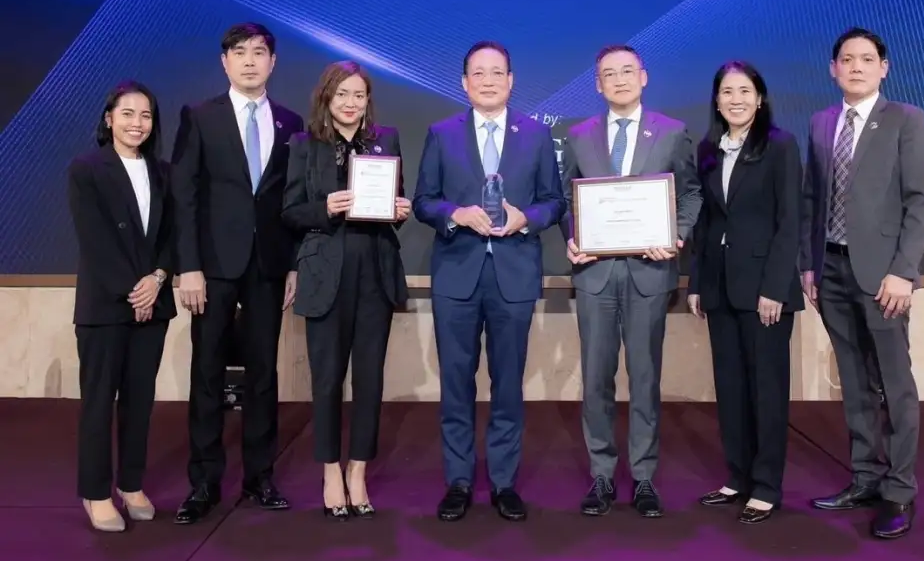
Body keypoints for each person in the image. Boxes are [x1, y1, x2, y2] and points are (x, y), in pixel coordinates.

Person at [413, 40, 565, 523]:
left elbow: (554, 201)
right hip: (457, 273)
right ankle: (458, 481)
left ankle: (503, 482)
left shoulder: (536, 135)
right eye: (478, 73)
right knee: (455, 383)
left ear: (511, 80)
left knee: (508, 384)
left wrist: (526, 219)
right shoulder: (441, 133)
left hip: (514, 275)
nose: (488, 80)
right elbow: (423, 200)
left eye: (497, 72)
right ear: (464, 82)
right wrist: (455, 213)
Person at [801, 27, 924, 540]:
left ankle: (899, 490)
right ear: (833, 68)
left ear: (884, 67)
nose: (855, 66)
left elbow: (921, 200)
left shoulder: (906, 119)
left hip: (883, 276)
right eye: (846, 59)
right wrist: (809, 265)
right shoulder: (821, 122)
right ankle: (865, 478)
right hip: (831, 270)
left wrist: (904, 271)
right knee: (854, 380)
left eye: (866, 59)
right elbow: (813, 199)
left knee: (894, 383)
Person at [560, 44, 702, 518]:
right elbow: (566, 200)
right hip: (595, 274)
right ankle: (601, 474)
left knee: (645, 378)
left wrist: (676, 236)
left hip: (649, 273)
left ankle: (643, 477)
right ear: (598, 84)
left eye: (627, 71)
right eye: (609, 74)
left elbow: (691, 194)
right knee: (596, 380)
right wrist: (573, 237)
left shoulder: (673, 131)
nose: (619, 79)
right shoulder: (578, 136)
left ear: (643, 77)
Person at [170, 23, 305, 524]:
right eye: (239, 52)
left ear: (273, 62)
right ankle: (204, 482)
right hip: (212, 267)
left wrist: (292, 264)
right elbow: (183, 196)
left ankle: (259, 477)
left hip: (268, 263)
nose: (250, 61)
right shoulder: (200, 116)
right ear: (224, 62)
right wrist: (188, 266)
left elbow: (291, 199)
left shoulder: (290, 122)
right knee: (207, 372)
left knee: (263, 373)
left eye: (259, 52)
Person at [282, 61, 410, 519]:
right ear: (326, 97)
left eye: (359, 95)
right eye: (342, 94)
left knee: (370, 378)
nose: (351, 103)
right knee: (327, 379)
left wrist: (400, 209)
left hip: (375, 269)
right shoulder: (304, 144)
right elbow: (290, 211)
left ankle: (358, 470)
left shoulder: (386, 140)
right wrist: (325, 208)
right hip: (325, 272)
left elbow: (396, 201)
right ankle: (330, 470)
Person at [687, 62, 803, 524]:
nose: (736, 99)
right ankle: (737, 476)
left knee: (767, 390)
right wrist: (697, 282)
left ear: (760, 98)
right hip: (719, 287)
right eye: (727, 92)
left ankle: (767, 486)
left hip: (764, 290)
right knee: (731, 387)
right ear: (716, 101)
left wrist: (774, 287)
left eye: (744, 91)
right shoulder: (707, 149)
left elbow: (789, 221)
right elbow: (705, 223)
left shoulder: (780, 145)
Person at [68, 80, 176, 532]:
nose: (137, 123)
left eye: (146, 115)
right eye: (128, 114)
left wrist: (157, 279)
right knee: (99, 402)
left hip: (154, 302)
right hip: (106, 306)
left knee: (139, 402)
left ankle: (131, 485)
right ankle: (96, 493)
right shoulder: (86, 169)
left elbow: (173, 236)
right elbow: (95, 241)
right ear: (109, 118)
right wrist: (134, 292)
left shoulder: (164, 172)